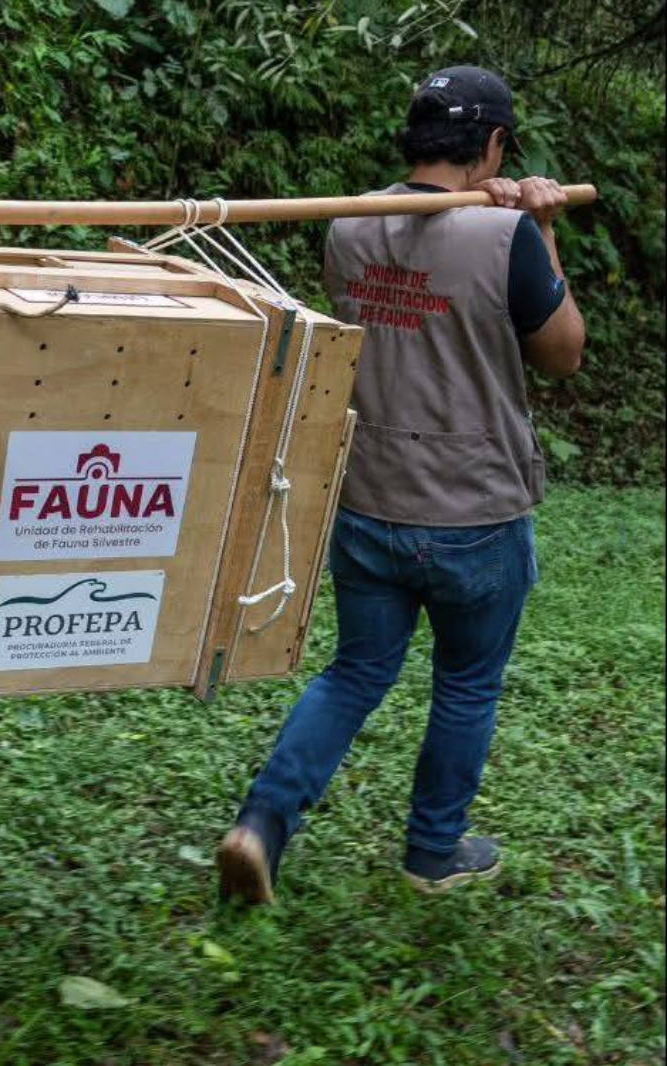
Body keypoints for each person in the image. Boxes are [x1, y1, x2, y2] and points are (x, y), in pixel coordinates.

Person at [215, 65, 586, 905]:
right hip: (476, 511)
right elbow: (562, 354)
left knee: (354, 671)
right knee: (465, 682)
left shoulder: (349, 226)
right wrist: (542, 226)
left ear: (414, 139)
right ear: (492, 145)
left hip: (370, 501)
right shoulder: (504, 238)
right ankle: (432, 852)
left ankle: (261, 826)